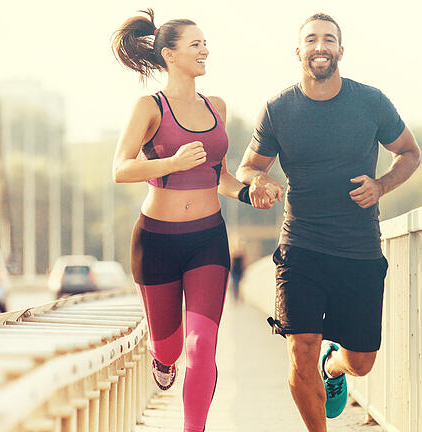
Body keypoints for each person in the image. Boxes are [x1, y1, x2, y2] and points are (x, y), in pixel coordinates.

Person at [236, 13, 421, 432]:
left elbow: (409, 152)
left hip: (358, 249)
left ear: (340, 50)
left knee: (362, 361)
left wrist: (381, 185)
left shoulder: (370, 102)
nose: (320, 47)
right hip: (301, 246)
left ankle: (334, 368)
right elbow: (247, 167)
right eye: (312, 39)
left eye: (329, 40)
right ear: (298, 51)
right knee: (301, 346)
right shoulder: (279, 109)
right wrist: (261, 179)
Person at [111, 9, 253, 432]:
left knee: (202, 345)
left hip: (208, 238)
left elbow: (219, 175)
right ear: (170, 55)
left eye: (205, 43)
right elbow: (120, 168)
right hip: (156, 241)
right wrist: (170, 161)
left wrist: (248, 192)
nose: (205, 50)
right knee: (171, 348)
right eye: (196, 44)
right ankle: (161, 357)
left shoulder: (217, 107)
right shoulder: (148, 107)